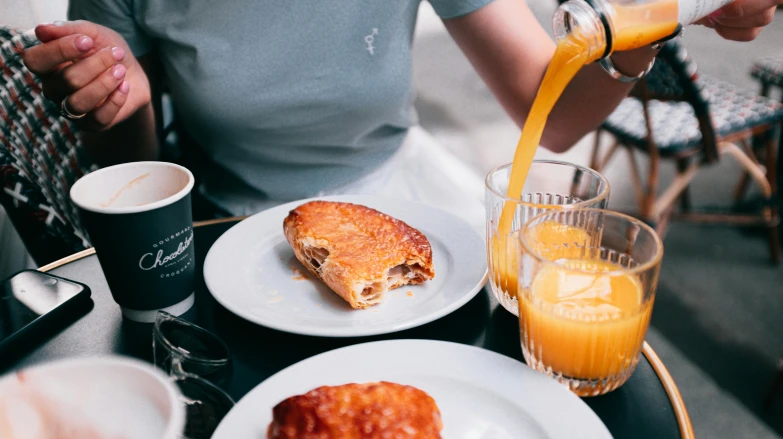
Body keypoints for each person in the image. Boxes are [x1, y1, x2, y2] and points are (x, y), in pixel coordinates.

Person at [21, 0, 781, 224]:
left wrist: (649, 24)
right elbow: (131, 167)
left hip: (401, 193)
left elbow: (548, 111)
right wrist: (112, 97)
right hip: (228, 220)